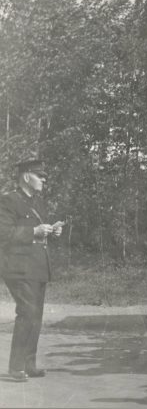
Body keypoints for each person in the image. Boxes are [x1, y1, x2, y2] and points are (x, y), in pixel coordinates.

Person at [0, 159, 63, 381]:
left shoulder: (38, 202)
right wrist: (34, 230)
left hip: (37, 265)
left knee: (35, 315)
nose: (44, 180)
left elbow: (37, 233)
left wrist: (50, 231)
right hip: (18, 267)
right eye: (40, 176)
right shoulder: (8, 200)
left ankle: (29, 364)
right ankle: (16, 367)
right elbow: (4, 234)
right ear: (26, 176)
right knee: (27, 313)